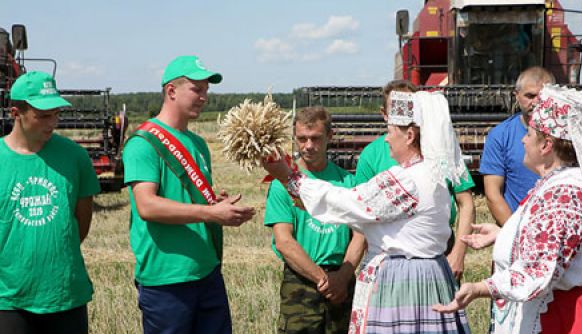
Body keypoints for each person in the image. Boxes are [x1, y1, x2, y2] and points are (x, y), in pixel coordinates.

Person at [263, 89, 471, 333]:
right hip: (432, 276)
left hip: (404, 283)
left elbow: (348, 203)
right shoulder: (433, 173)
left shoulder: (407, 180)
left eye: (391, 132)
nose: (386, 139)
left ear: (410, 136)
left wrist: (290, 178)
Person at [433, 85, 582, 333]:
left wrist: (480, 288)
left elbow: (537, 270)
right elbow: (559, 244)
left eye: (529, 134)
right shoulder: (562, 186)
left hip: (559, 318)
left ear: (546, 146)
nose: (523, 139)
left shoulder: (565, 194)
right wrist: (505, 234)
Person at [122, 55, 255, 334]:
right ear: (171, 91)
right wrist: (211, 213)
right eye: (197, 89)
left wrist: (218, 204)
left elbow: (189, 198)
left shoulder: (197, 143)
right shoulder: (143, 143)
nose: (204, 97)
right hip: (166, 279)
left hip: (206, 270)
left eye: (206, 90)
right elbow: (147, 205)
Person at [0, 71, 100, 333]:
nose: (52, 122)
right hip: (8, 300)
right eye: (43, 115)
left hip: (64, 295)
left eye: (56, 113)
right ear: (15, 113)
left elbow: (81, 223)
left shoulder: (75, 157)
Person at [355, 80, 476, 280]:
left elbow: (466, 203)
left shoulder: (442, 151)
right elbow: (362, 214)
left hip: (438, 247)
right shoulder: (371, 155)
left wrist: (458, 254)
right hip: (391, 252)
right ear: (384, 114)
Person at [264, 106, 365, 333]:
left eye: (316, 138)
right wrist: (324, 279)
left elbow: (360, 234)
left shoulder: (348, 181)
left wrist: (343, 277)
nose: (308, 146)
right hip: (301, 281)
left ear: (330, 136)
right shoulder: (281, 183)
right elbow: (284, 241)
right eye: (302, 139)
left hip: (342, 276)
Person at [480, 67, 555, 226]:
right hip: (518, 226)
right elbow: (493, 194)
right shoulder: (500, 136)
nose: (535, 102)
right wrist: (513, 234)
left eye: (542, 96)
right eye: (530, 96)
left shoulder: (567, 136)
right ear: (517, 96)